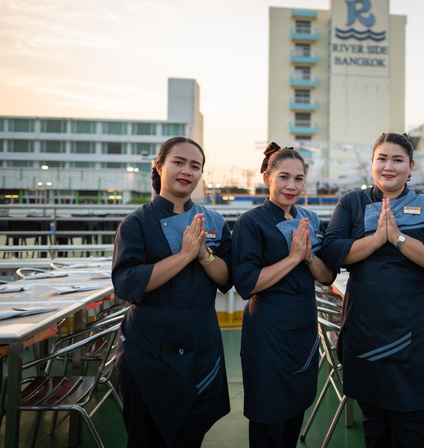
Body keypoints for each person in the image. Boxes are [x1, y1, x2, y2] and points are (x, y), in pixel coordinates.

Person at [321, 132, 424, 448]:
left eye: (397, 160)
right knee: (375, 421)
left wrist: (398, 239)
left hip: (413, 326)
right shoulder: (351, 202)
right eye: (382, 158)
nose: (389, 166)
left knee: (413, 420)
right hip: (365, 323)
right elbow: (333, 250)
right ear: (372, 163)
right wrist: (376, 239)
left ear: (410, 166)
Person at [112, 137, 232, 448]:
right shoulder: (135, 223)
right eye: (178, 162)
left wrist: (204, 255)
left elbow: (227, 279)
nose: (187, 171)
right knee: (146, 437)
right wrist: (184, 255)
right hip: (148, 345)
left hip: (201, 338)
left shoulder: (215, 221)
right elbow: (126, 284)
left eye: (196, 166)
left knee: (191, 434)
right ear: (159, 167)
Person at [231, 143, 336, 448]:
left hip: (304, 323)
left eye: (299, 179)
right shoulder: (251, 222)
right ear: (267, 178)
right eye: (284, 177)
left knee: (294, 410)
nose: (292, 186)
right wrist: (292, 258)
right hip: (268, 328)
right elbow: (246, 284)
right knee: (268, 417)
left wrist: (308, 258)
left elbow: (327, 275)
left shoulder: (311, 219)